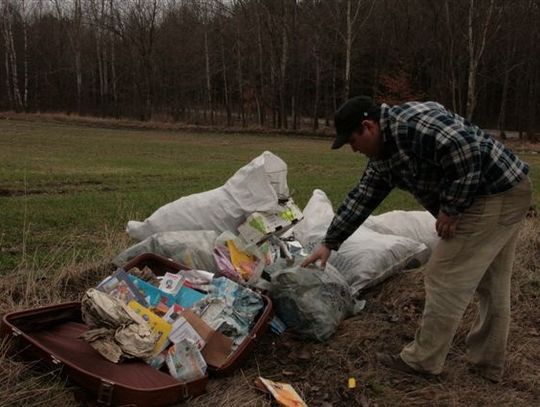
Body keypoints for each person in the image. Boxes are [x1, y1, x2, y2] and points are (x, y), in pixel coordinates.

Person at [302, 96, 533, 383]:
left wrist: (450, 208)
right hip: (505, 191)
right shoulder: (384, 154)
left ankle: (423, 361)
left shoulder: (411, 125)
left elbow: (465, 148)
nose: (353, 149)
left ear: (368, 126)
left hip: (495, 194)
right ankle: (487, 365)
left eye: (352, 140)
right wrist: (329, 242)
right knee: (492, 281)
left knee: (442, 275)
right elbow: (363, 197)